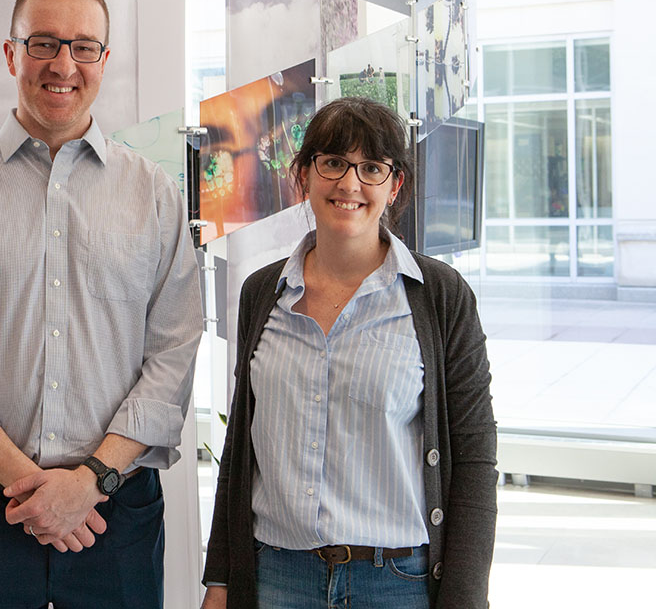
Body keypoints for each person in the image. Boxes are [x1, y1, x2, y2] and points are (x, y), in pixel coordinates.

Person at [0, 0, 203, 609]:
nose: (64, 63)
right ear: (12, 53)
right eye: (44, 43)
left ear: (104, 61)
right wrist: (32, 487)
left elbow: (173, 352)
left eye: (83, 46)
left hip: (114, 514)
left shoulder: (155, 195)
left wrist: (88, 483)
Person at [201, 97, 497, 609]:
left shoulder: (439, 296)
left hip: (397, 584)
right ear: (305, 176)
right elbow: (241, 447)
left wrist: (465, 600)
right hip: (277, 578)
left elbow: (473, 462)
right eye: (333, 162)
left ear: (394, 184)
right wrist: (221, 580)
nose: (350, 183)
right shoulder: (262, 292)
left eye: (371, 168)